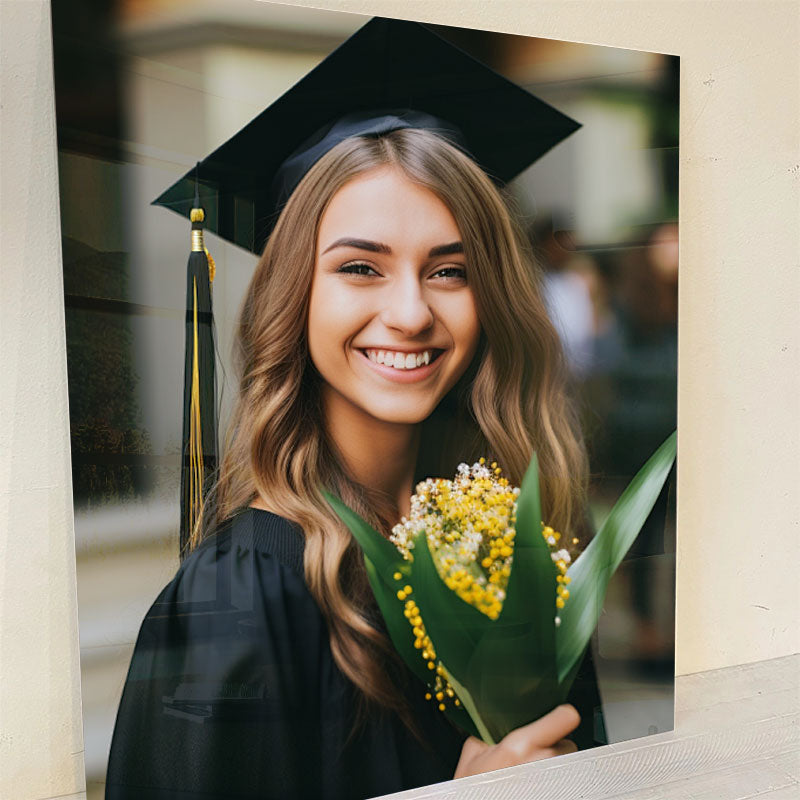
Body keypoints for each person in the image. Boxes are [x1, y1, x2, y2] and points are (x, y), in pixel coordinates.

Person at [106, 17, 604, 800]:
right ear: (294, 294)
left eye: (449, 271)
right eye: (361, 267)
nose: (409, 312)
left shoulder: (505, 555)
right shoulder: (236, 596)